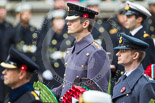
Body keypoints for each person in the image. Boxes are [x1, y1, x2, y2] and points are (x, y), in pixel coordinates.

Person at [51, 3, 111, 102]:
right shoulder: (72, 50)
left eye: (73, 21)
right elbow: (68, 85)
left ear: (85, 24)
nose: (68, 23)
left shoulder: (96, 52)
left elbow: (96, 95)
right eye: (68, 20)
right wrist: (49, 93)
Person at [112, 33, 155, 103]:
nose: (117, 54)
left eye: (123, 51)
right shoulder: (120, 80)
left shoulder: (145, 84)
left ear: (135, 55)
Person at [123, 1, 155, 70]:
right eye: (125, 16)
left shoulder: (145, 39)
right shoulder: (127, 36)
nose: (125, 20)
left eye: (129, 17)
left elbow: (147, 68)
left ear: (139, 19)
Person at [0, 1, 16, 102]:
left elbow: (13, 46)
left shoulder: (10, 27)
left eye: (3, 9)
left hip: (5, 63)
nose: (1, 12)